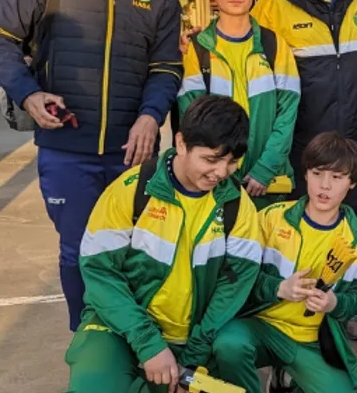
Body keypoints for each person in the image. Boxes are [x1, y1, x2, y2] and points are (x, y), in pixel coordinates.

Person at [0, 0, 183, 330]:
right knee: (80, 249)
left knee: (137, 251)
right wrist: (27, 93)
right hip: (67, 149)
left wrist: (151, 117)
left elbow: (166, 68)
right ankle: (87, 337)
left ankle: (136, 342)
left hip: (133, 154)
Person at [64, 96, 262, 393]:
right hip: (121, 326)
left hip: (198, 337)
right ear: (181, 143)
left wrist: (192, 362)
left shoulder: (239, 207)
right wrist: (150, 346)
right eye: (210, 159)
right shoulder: (129, 192)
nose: (221, 172)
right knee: (95, 382)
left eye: (232, 161)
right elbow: (100, 274)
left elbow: (232, 289)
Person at [251, 0, 357, 339]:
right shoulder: (274, 0)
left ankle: (350, 307)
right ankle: (294, 309)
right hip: (305, 144)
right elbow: (251, 47)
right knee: (301, 230)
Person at [213, 132, 357, 393]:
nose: (325, 185)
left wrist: (334, 303)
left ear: (352, 183)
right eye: (317, 173)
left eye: (337, 177)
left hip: (310, 340)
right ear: (305, 174)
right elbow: (237, 274)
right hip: (262, 327)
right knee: (228, 344)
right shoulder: (271, 218)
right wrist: (279, 289)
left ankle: (287, 378)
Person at [177, 0, 300, 209]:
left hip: (268, 185)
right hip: (216, 186)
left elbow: (287, 114)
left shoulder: (274, 45)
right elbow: (193, 121)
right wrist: (217, 170)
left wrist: (265, 168)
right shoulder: (197, 50)